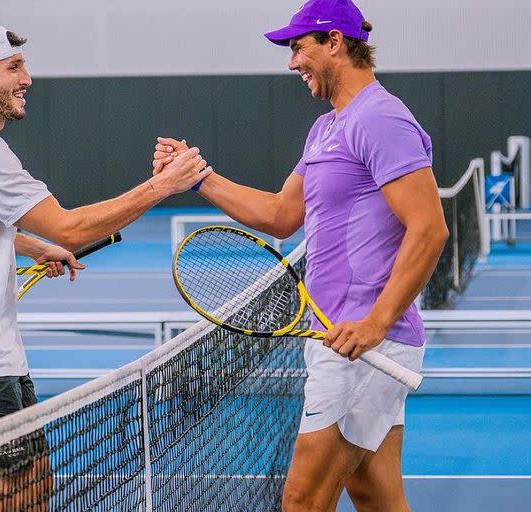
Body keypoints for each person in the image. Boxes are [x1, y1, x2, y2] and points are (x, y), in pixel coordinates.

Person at [152, 1, 448, 510]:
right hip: (340, 340)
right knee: (375, 494)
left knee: (301, 501)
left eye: (298, 48)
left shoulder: (380, 119)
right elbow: (282, 214)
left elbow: (430, 228)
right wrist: (197, 176)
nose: (292, 63)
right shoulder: (327, 128)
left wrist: (375, 323)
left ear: (334, 42)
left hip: (363, 345)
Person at [0, 23, 211, 511]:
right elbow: (70, 229)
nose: (27, 77)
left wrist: (31, 248)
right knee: (14, 492)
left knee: (32, 486)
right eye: (14, 67)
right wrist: (162, 186)